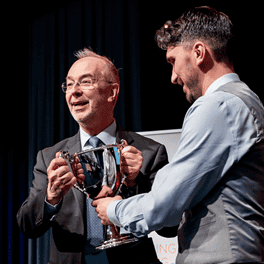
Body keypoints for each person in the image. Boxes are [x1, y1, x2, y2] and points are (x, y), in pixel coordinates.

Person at [93, 6, 264, 264]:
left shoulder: (217, 106)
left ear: (198, 52)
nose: (173, 77)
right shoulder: (247, 100)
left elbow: (166, 204)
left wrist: (114, 210)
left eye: (173, 61)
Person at [17, 48, 168, 264]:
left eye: (85, 82)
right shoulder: (49, 157)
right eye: (69, 84)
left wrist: (137, 183)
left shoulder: (150, 151)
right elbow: (27, 225)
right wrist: (51, 196)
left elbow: (170, 227)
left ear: (112, 92)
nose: (74, 91)